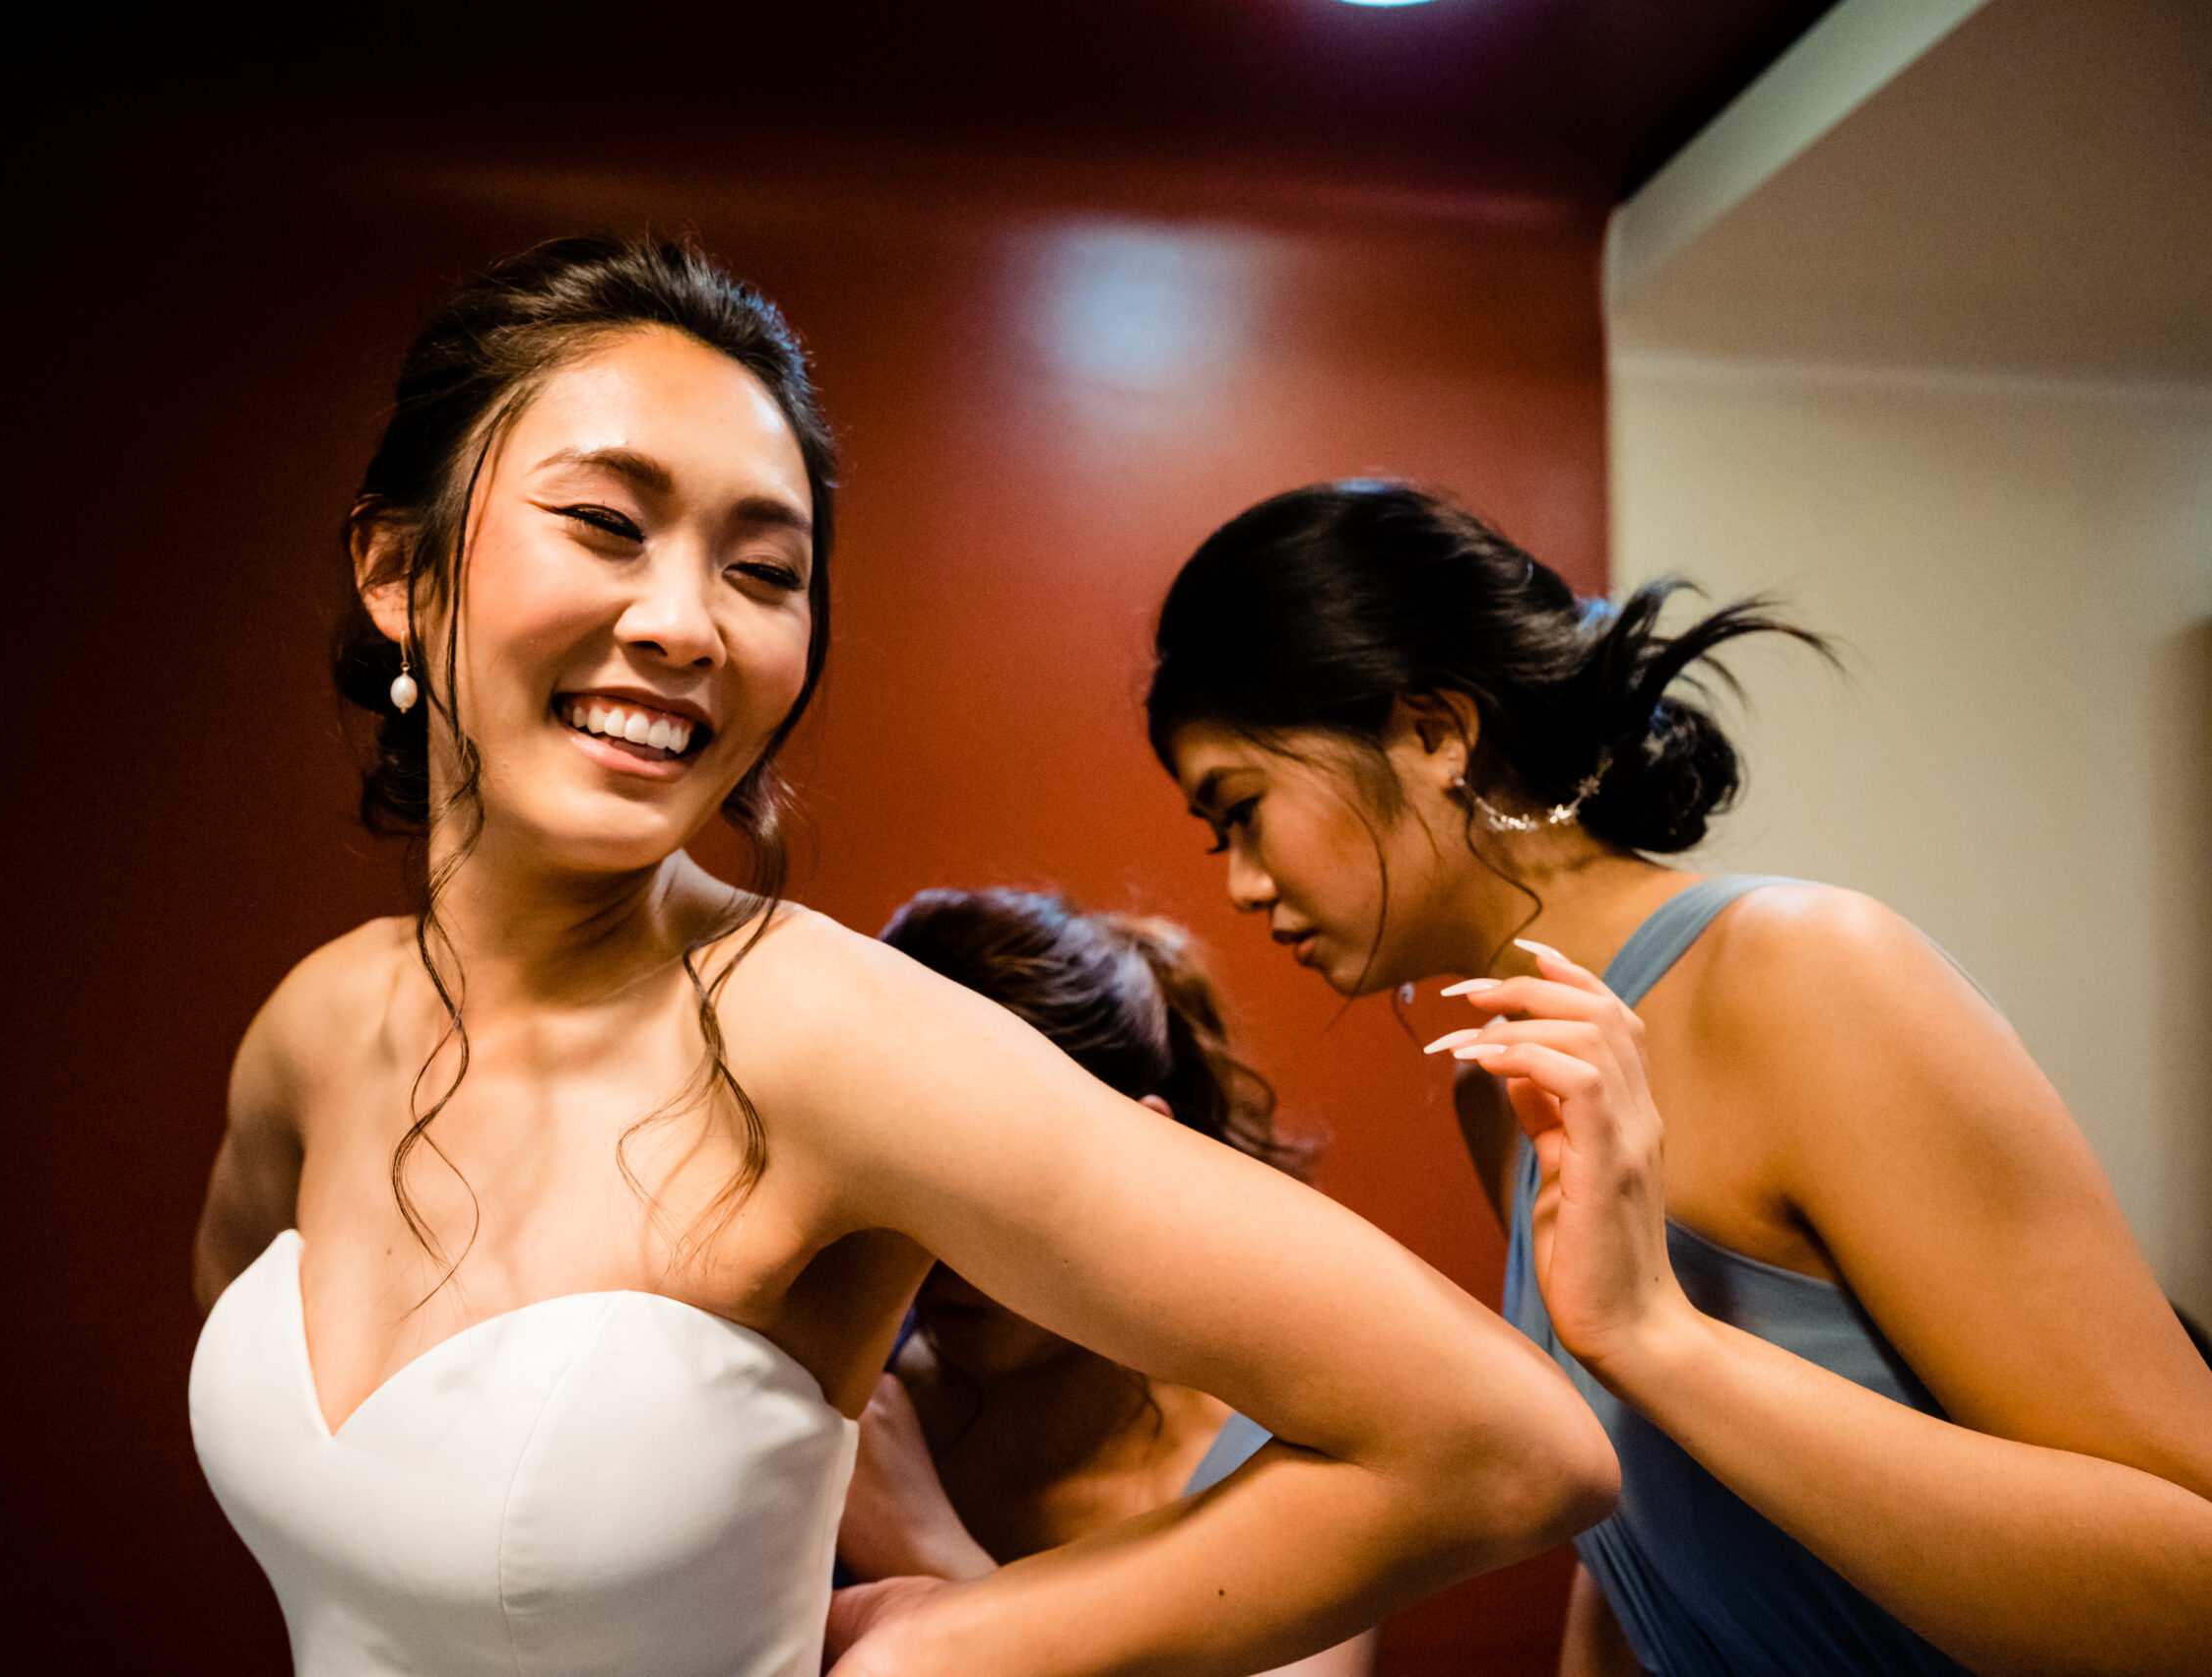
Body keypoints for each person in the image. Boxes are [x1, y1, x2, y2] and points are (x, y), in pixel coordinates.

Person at [186, 242, 1617, 1677]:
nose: (687, 623)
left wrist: (956, 1644)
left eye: (763, 569)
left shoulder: (827, 1038)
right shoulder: (315, 1025)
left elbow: (1503, 1444)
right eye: (605, 524)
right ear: (395, 568)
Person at [1144, 479, 2212, 1677]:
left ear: (1436, 732)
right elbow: (1648, 1540)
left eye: (1241, 808)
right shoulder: (1502, 1089)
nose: (1238, 883)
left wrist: (1659, 1334)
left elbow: (2192, 1586)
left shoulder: (1802, 973)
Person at [835, 887, 1376, 1677]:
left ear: (1136, 1149)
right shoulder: (840, 1405)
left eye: (987, 1175)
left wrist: (938, 1562)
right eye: (895, 1173)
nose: (935, 1239)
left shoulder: (1287, 1470)